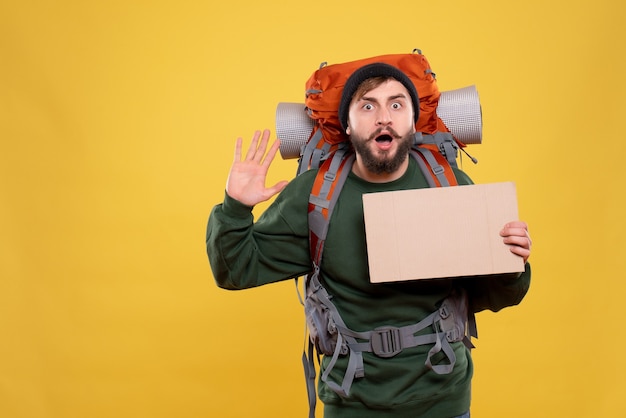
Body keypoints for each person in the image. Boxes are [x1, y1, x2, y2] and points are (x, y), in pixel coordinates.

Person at [206, 62, 532, 418]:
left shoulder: (448, 184)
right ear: (348, 124)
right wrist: (235, 207)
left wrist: (511, 262)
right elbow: (235, 270)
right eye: (367, 105)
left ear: (412, 120)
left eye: (396, 105)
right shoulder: (315, 195)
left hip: (443, 401)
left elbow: (493, 296)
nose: (383, 118)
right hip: (351, 403)